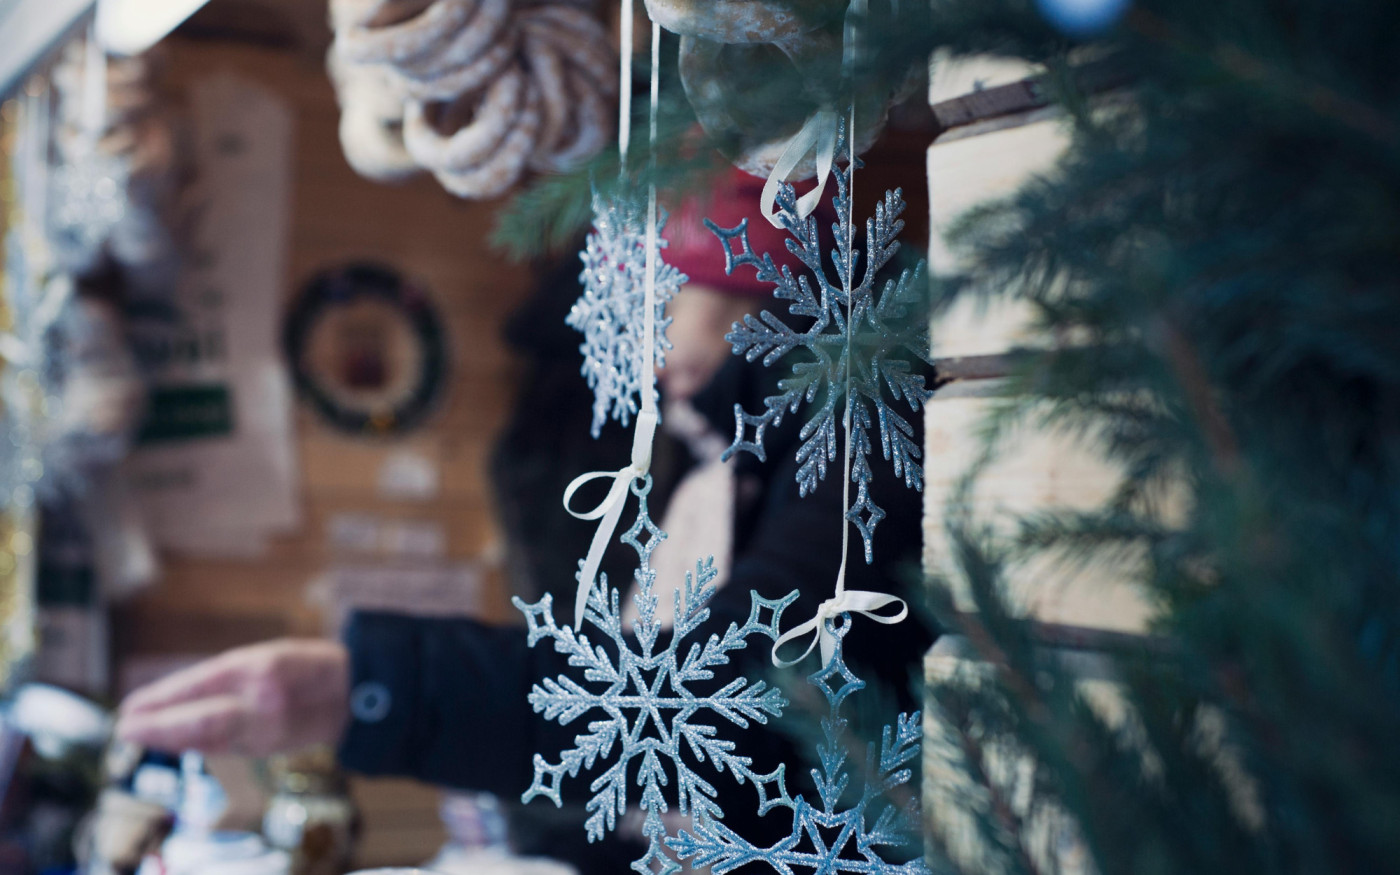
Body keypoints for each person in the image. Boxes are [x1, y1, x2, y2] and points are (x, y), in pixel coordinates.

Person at [116, 171, 933, 872]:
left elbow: (723, 691)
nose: (649, 360)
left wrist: (383, 688)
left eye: (663, 307)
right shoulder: (750, 461)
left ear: (747, 285)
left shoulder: (859, 440)